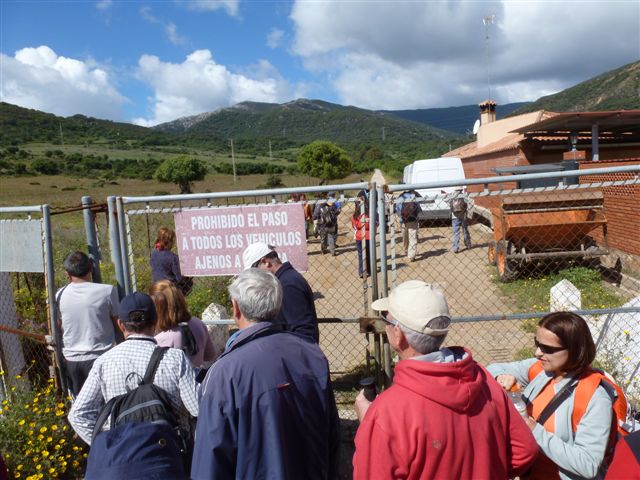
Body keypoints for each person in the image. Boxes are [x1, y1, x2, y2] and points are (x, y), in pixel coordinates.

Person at [352, 280, 538, 479]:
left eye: (387, 321)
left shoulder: (386, 413)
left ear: (398, 334)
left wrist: (369, 427)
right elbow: (524, 449)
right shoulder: (483, 379)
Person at [191, 269, 340, 479]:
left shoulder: (223, 374)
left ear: (236, 308)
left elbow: (210, 463)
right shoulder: (313, 355)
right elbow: (331, 436)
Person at [487, 312, 617, 480]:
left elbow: (588, 464)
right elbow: (492, 368)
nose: (537, 353)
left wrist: (534, 430)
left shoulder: (595, 397)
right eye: (537, 343)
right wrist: (501, 377)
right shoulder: (543, 369)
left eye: (547, 348)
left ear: (574, 349)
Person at [68, 291, 199, 446]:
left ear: (121, 324)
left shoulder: (103, 362)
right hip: (170, 454)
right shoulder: (175, 358)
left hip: (124, 456)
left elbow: (78, 415)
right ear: (155, 321)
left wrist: (108, 446)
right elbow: (197, 408)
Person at [57, 251, 119, 397]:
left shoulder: (59, 295)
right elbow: (118, 323)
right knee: (107, 401)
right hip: (102, 356)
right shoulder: (107, 291)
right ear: (91, 268)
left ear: (67, 273)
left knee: (81, 403)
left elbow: (58, 325)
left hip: (72, 359)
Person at [241, 242, 319, 343]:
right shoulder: (284, 281)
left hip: (297, 355)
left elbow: (304, 331)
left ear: (265, 262)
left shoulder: (287, 285)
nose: (255, 276)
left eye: (254, 271)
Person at [149, 280, 216, 368]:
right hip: (197, 377)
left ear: (158, 309)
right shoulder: (198, 323)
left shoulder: (159, 341)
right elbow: (209, 355)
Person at [150, 227, 193, 295]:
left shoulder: (154, 253)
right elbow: (179, 278)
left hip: (156, 287)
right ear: (170, 242)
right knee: (188, 282)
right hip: (169, 289)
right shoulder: (173, 257)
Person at [395, 190, 421, 262]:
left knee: (405, 237)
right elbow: (418, 208)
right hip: (413, 219)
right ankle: (411, 256)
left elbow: (397, 209)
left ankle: (406, 250)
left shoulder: (400, 197)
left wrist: (401, 218)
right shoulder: (414, 196)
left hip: (403, 220)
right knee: (413, 237)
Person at [446, 187, 473, 253]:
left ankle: (456, 248)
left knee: (456, 233)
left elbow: (446, 201)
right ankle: (468, 244)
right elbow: (471, 203)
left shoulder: (451, 196)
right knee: (465, 230)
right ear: (461, 190)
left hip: (454, 217)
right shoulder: (464, 195)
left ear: (455, 190)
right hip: (463, 216)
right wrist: (468, 212)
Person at [352, 200, 371, 278]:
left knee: (360, 255)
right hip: (367, 236)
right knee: (368, 254)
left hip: (359, 237)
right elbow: (370, 225)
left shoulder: (355, 215)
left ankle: (361, 272)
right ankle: (368, 270)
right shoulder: (367, 215)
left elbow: (354, 226)